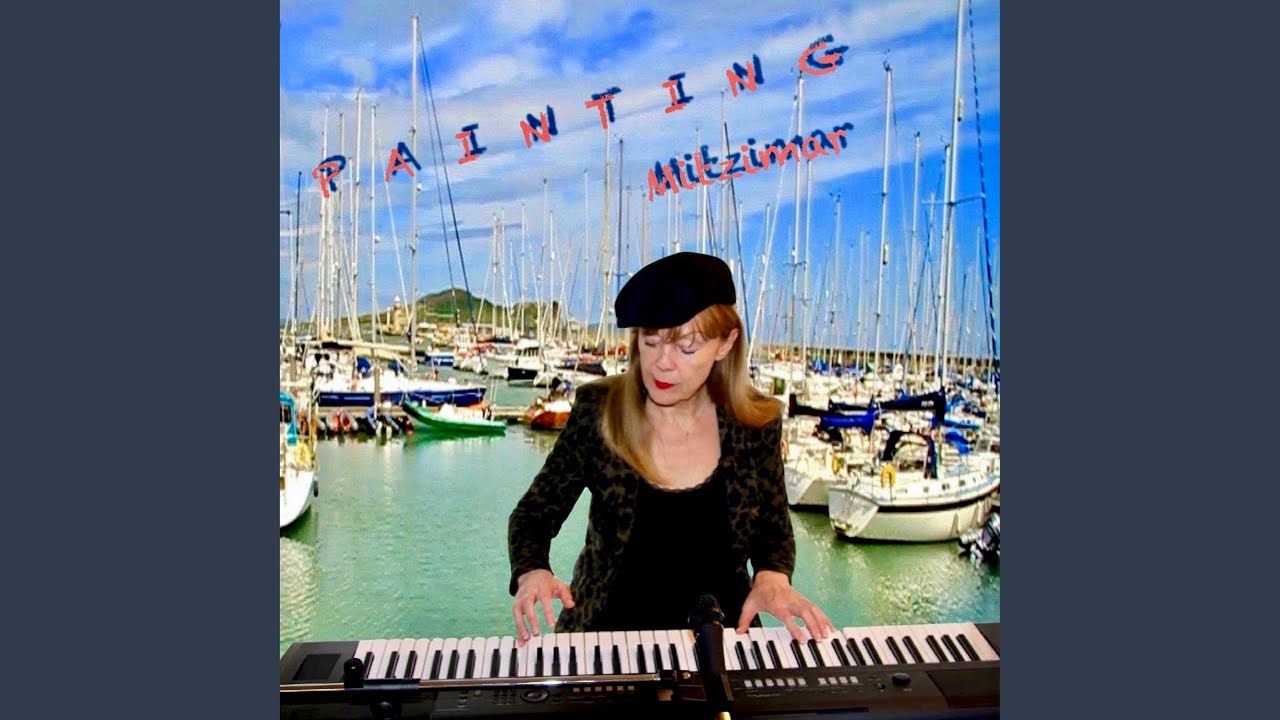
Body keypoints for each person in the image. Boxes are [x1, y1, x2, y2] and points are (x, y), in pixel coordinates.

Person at [508, 252, 835, 646]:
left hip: (724, 643)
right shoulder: (600, 410)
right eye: (651, 341)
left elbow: (773, 531)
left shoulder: (756, 424)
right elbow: (533, 515)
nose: (662, 363)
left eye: (686, 347)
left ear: (725, 343)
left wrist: (772, 577)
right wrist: (532, 571)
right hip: (605, 643)